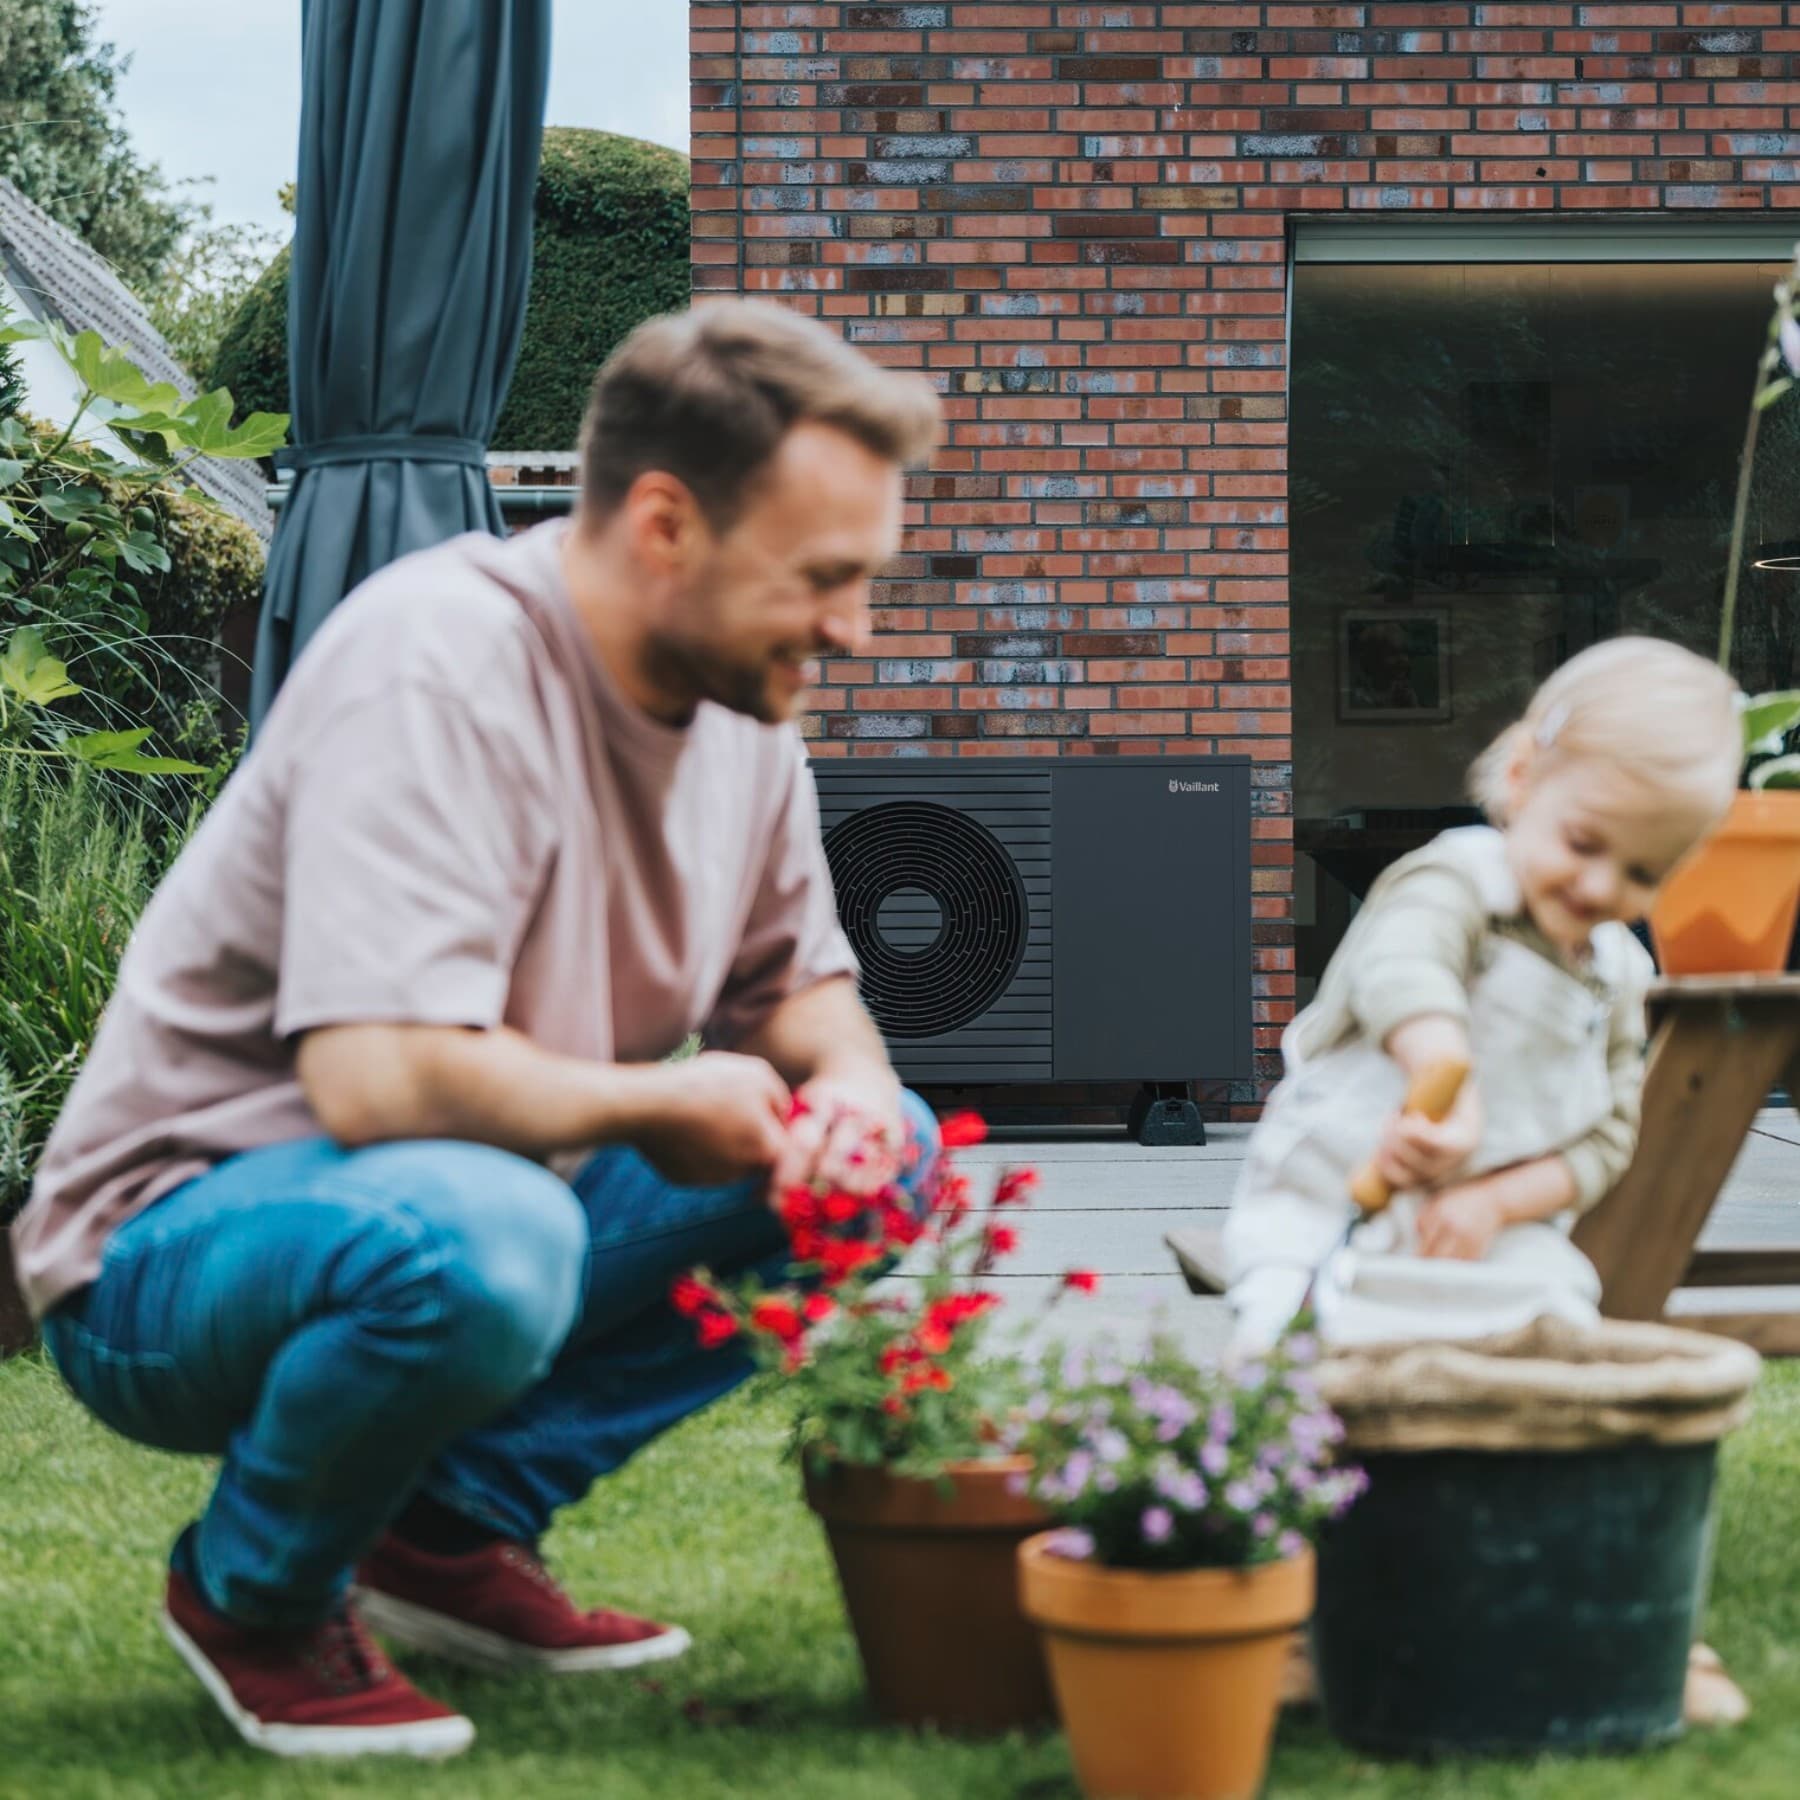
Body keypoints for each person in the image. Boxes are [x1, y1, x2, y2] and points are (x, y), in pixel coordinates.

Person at [8, 301, 943, 1761]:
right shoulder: (437, 663)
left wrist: (858, 1087)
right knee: (493, 1234)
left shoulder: (744, 713)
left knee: (884, 1165)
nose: (852, 628)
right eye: (823, 577)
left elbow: (798, 988)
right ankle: (252, 1593)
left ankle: (446, 1533)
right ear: (663, 524)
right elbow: (376, 1078)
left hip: (474, 1196)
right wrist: (655, 1110)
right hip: (164, 1257)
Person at [1224, 636, 1741, 1354]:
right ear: (1524, 780)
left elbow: (1608, 1137)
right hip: (1338, 1199)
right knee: (1296, 1344)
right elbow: (1405, 971)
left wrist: (1495, 1201)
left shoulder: (1619, 972)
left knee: (1557, 1324)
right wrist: (1445, 1081)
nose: (1601, 887)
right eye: (1584, 844)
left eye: (1644, 875)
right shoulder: (1457, 882)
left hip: (1485, 1231)